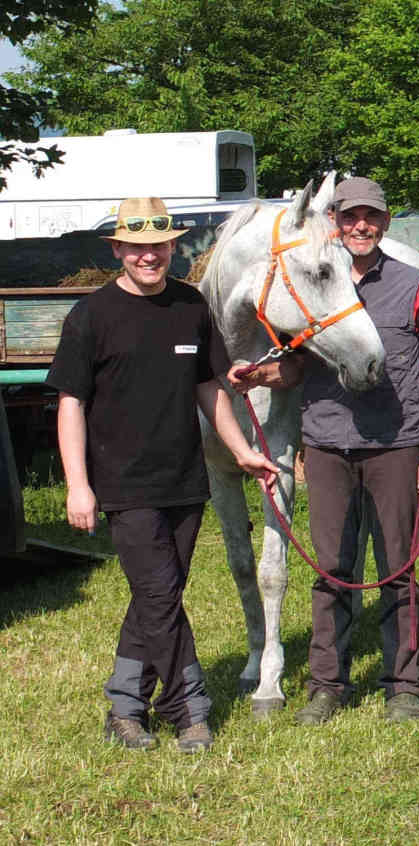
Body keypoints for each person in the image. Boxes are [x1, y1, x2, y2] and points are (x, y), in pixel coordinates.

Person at [51, 196, 279, 752]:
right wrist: (78, 485)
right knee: (158, 595)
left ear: (172, 247)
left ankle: (125, 706)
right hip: (123, 484)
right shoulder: (91, 316)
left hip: (184, 479)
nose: (148, 256)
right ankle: (189, 709)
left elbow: (210, 388)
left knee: (158, 595)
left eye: (158, 246)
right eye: (136, 248)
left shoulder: (190, 307)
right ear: (118, 251)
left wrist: (242, 451)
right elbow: (70, 404)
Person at [233, 176, 419, 725]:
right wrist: (259, 375)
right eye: (351, 216)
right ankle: (327, 684)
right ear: (334, 221)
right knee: (331, 568)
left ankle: (403, 684)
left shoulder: (414, 284)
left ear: (385, 222)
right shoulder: (310, 281)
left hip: (395, 442)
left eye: (372, 217)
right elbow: (295, 364)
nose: (361, 226)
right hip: (328, 442)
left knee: (397, 567)